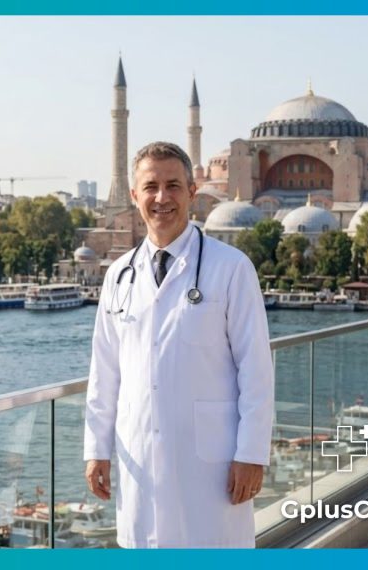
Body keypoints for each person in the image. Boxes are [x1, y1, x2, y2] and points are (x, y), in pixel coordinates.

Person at [83, 142, 274, 548]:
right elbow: (105, 371)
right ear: (134, 196)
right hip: (138, 458)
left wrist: (252, 454)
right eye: (150, 186)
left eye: (173, 185)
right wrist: (96, 449)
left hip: (213, 463)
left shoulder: (231, 267)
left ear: (191, 192)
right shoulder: (119, 275)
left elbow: (256, 369)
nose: (161, 197)